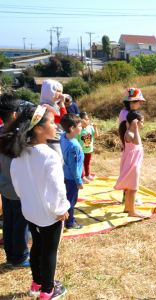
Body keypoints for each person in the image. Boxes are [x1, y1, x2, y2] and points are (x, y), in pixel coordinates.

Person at [0, 104, 69, 299]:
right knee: (49, 251)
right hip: (49, 213)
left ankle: (37, 283)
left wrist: (27, 201)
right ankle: (48, 291)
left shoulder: (19, 154)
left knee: (37, 244)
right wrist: (61, 208)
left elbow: (17, 185)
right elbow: (56, 187)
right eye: (52, 122)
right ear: (38, 128)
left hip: (29, 210)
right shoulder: (49, 156)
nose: (56, 126)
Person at [0, 93, 30, 269]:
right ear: (14, 114)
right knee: (20, 224)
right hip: (19, 189)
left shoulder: (1, 132)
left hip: (4, 186)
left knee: (9, 221)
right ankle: (20, 257)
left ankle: (11, 255)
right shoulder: (17, 136)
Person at [114, 110, 145, 218]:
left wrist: (136, 128)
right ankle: (132, 211)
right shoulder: (129, 133)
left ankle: (127, 207)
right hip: (133, 165)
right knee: (133, 188)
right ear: (134, 122)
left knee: (130, 188)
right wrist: (135, 128)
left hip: (134, 164)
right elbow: (136, 142)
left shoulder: (132, 132)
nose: (142, 124)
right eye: (141, 122)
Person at [60, 114, 85, 230]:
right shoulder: (74, 146)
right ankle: (69, 222)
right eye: (79, 125)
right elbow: (74, 166)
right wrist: (78, 181)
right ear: (72, 128)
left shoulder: (63, 136)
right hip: (72, 179)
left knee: (65, 197)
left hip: (65, 173)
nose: (82, 127)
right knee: (70, 200)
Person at [39, 79, 69, 161]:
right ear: (49, 91)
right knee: (57, 163)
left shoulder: (54, 105)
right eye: (58, 91)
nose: (61, 94)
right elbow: (62, 121)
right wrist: (62, 104)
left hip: (57, 139)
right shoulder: (45, 107)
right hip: (52, 141)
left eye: (61, 92)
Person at [77, 112, 98, 183]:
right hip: (81, 151)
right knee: (81, 164)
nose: (87, 121)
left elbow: (96, 135)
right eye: (84, 120)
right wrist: (80, 126)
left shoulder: (90, 128)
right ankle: (82, 177)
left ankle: (87, 175)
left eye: (88, 119)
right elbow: (76, 139)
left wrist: (95, 128)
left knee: (87, 164)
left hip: (89, 150)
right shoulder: (79, 130)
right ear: (80, 121)